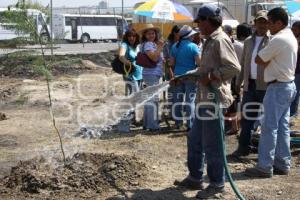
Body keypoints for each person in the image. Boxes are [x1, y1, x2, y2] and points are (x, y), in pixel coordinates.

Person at [174, 4, 241, 199]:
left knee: (212, 144)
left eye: (200, 22)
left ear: (208, 20)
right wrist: (184, 76)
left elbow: (234, 67)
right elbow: (202, 71)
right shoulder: (209, 40)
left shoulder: (220, 40)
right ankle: (195, 177)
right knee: (194, 139)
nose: (198, 26)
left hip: (213, 100)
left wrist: (212, 76)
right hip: (203, 99)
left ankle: (217, 184)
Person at [245, 7, 297, 178]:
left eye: (270, 22)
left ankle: (265, 166)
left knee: (269, 127)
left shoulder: (278, 39)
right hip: (287, 85)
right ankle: (282, 164)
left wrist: (270, 63)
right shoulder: (289, 36)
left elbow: (258, 59)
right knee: (281, 127)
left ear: (279, 23)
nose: (267, 26)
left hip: (278, 87)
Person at [232, 10, 270, 157]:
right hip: (250, 85)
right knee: (247, 118)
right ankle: (243, 148)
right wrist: (239, 81)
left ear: (269, 23)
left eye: (265, 22)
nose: (262, 24)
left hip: (266, 85)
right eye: (259, 21)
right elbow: (243, 63)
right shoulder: (248, 41)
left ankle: (264, 152)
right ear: (254, 23)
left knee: (266, 119)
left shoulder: (272, 40)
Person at [170, 25, 201, 130]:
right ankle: (190, 124)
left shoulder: (174, 46)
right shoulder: (193, 46)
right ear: (189, 36)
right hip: (190, 76)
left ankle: (178, 123)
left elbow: (172, 63)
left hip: (178, 76)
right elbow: (199, 62)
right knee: (190, 101)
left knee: (177, 100)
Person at [117, 28, 143, 133]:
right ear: (127, 37)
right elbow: (121, 56)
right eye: (129, 36)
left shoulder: (137, 46)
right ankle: (124, 124)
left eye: (133, 36)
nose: (131, 38)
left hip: (139, 75)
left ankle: (133, 120)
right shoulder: (125, 45)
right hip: (130, 75)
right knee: (131, 99)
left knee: (135, 99)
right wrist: (127, 62)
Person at [140, 24, 164, 131]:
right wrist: (159, 47)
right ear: (145, 35)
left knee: (149, 98)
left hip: (153, 73)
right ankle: (152, 125)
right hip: (151, 74)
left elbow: (158, 58)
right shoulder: (149, 45)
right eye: (149, 33)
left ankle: (147, 123)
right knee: (152, 99)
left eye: (153, 33)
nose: (151, 35)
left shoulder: (152, 44)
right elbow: (154, 58)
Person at [163, 25, 181, 116]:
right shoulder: (168, 44)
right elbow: (167, 60)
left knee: (178, 93)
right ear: (175, 33)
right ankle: (171, 112)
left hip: (179, 71)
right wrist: (171, 73)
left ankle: (176, 112)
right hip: (170, 71)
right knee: (171, 92)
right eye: (179, 33)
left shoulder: (180, 43)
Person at [290, 21, 300, 119]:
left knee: (296, 92)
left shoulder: (297, 40)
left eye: (295, 30)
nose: (293, 31)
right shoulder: (294, 39)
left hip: (298, 71)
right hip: (294, 70)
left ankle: (293, 112)